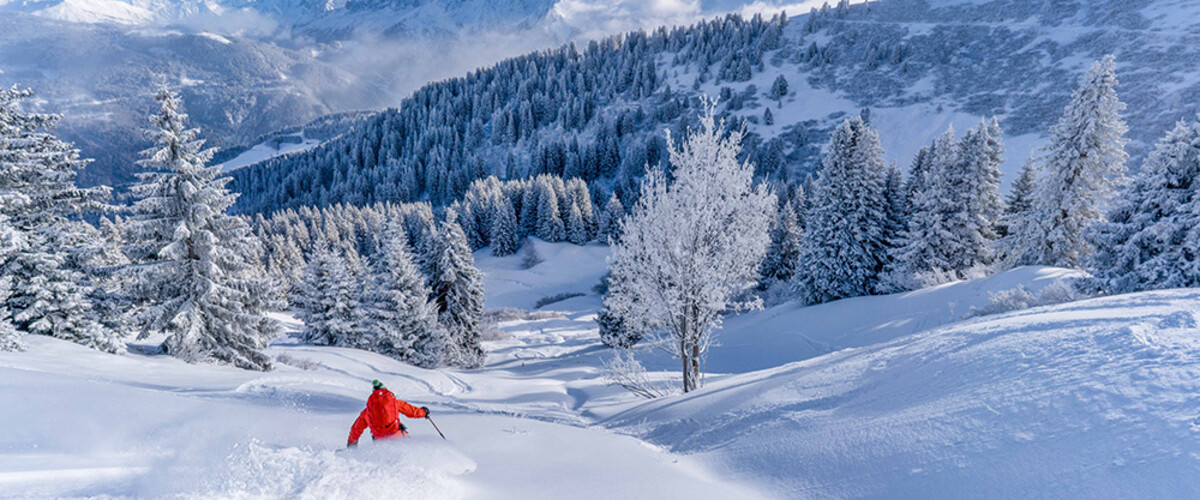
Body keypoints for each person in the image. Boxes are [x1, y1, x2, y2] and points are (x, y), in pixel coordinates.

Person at [347, 379, 430, 447]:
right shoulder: (395, 403)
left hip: (379, 441)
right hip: (397, 435)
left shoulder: (367, 411)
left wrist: (351, 443)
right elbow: (412, 412)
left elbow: (356, 429)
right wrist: (424, 412)